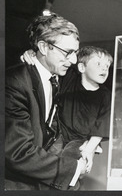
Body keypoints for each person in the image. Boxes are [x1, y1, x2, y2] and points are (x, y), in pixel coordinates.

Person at [5, 13, 88, 190]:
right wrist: (73, 169)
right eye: (68, 53)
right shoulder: (14, 82)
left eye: (75, 53)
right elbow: (16, 152)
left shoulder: (55, 76)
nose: (73, 61)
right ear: (43, 46)